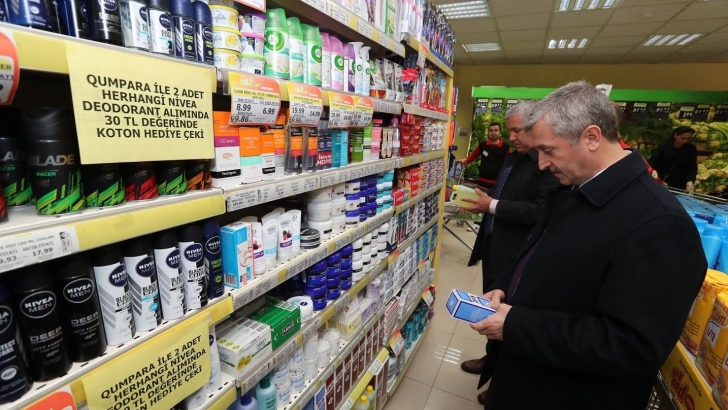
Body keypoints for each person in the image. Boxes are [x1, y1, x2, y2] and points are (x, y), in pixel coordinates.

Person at [470, 81, 707, 410]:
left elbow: (632, 345)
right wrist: (505, 285)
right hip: (526, 376)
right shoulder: (575, 189)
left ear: (592, 138)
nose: (541, 164)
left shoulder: (661, 224)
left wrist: (516, 324)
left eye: (549, 151)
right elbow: (535, 250)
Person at [457, 101, 560, 404]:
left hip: (517, 252)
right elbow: (501, 193)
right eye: (509, 130)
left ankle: (500, 378)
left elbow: (540, 211)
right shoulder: (513, 157)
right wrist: (483, 200)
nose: (511, 137)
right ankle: (490, 359)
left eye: (517, 131)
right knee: (491, 305)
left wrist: (491, 205)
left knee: (509, 315)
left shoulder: (545, 164)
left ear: (534, 127)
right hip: (494, 242)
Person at [459, 123, 510, 189]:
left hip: (497, 183)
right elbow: (473, 156)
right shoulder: (483, 145)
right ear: (488, 132)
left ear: (500, 132)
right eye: (491, 130)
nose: (493, 132)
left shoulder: (506, 148)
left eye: (496, 130)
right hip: (482, 181)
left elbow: (509, 164)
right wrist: (465, 160)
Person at [648, 126, 698, 193]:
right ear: (675, 135)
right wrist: (653, 170)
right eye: (682, 138)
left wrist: (690, 180)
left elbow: (692, 167)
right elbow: (653, 160)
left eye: (688, 139)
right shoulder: (664, 145)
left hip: (679, 184)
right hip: (661, 180)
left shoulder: (691, 148)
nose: (685, 141)